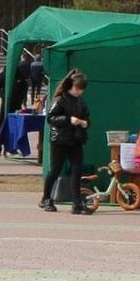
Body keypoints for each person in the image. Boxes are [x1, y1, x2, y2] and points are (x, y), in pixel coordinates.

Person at [42, 69, 94, 215]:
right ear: (71, 85)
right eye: (77, 88)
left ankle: (76, 203)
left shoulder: (81, 102)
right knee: (55, 169)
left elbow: (87, 119)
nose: (79, 92)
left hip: (76, 139)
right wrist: (68, 120)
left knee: (77, 171)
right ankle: (46, 198)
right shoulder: (60, 100)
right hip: (59, 139)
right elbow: (50, 118)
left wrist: (85, 123)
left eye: (81, 90)